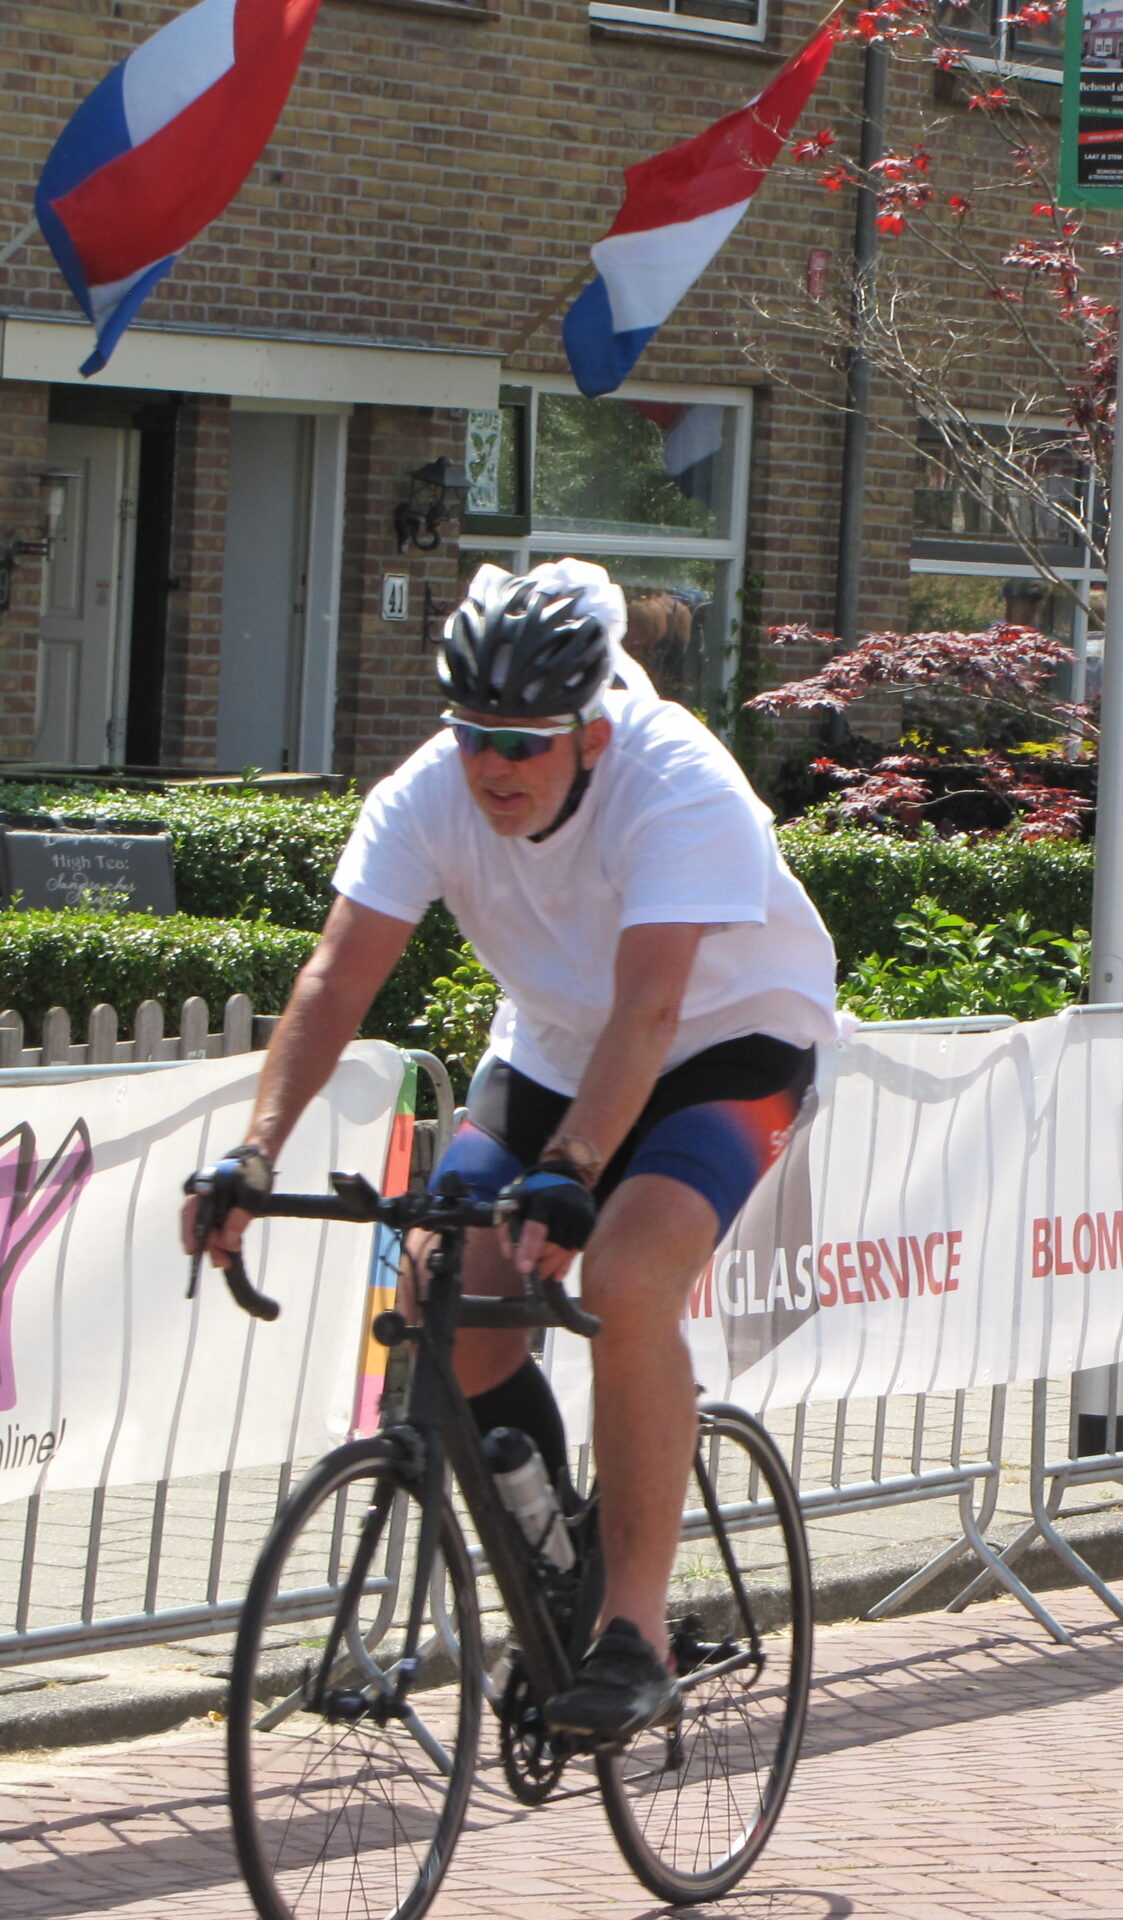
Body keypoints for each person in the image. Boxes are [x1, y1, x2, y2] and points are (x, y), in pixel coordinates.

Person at [181, 559, 840, 1742]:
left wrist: (576, 1171)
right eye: (474, 732)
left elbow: (650, 1013)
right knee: (448, 1292)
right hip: (549, 1050)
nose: (493, 765)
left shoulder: (678, 779)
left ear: (591, 729)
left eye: (524, 742)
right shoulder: (431, 791)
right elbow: (337, 977)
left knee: (626, 1279)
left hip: (725, 1046)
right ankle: (558, 1555)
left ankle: (631, 1629)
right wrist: (254, 1154)